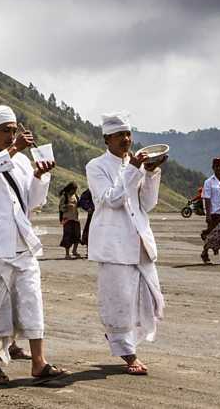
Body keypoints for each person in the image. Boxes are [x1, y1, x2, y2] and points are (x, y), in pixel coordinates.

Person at [0, 106, 66, 385]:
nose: (12, 136)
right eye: (5, 131)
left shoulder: (22, 162)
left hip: (21, 243)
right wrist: (12, 151)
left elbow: (32, 202)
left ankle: (39, 362)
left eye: (14, 130)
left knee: (32, 300)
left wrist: (40, 176)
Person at [86, 110, 167, 376]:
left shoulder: (136, 165)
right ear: (107, 139)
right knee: (118, 299)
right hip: (113, 244)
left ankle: (124, 341)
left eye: (128, 133)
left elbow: (147, 204)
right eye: (120, 134)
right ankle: (127, 352)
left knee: (149, 298)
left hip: (139, 240)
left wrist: (151, 174)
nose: (126, 139)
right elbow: (110, 199)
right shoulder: (96, 166)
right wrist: (133, 169)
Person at [58, 182, 82, 259]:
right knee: (67, 236)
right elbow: (61, 207)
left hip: (75, 218)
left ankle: (74, 251)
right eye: (74, 189)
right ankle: (67, 254)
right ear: (70, 189)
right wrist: (67, 206)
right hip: (67, 219)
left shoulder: (76, 196)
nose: (75, 191)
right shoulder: (64, 196)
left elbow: (79, 204)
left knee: (77, 235)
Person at [77, 189, 94, 258]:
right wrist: (88, 208)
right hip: (94, 214)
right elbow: (82, 200)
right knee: (90, 231)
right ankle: (89, 251)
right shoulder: (92, 188)